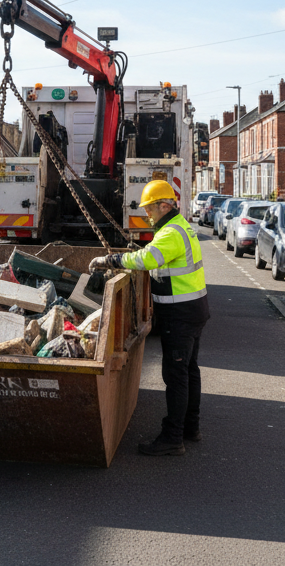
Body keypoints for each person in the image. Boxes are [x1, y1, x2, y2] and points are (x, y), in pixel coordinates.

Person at [89, 180, 208, 456]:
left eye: (150, 209)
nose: (147, 215)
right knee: (190, 371)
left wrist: (112, 261)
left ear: (164, 205)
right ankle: (191, 428)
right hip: (193, 310)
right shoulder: (179, 228)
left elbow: (147, 260)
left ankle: (173, 438)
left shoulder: (171, 233)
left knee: (176, 376)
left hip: (180, 315)